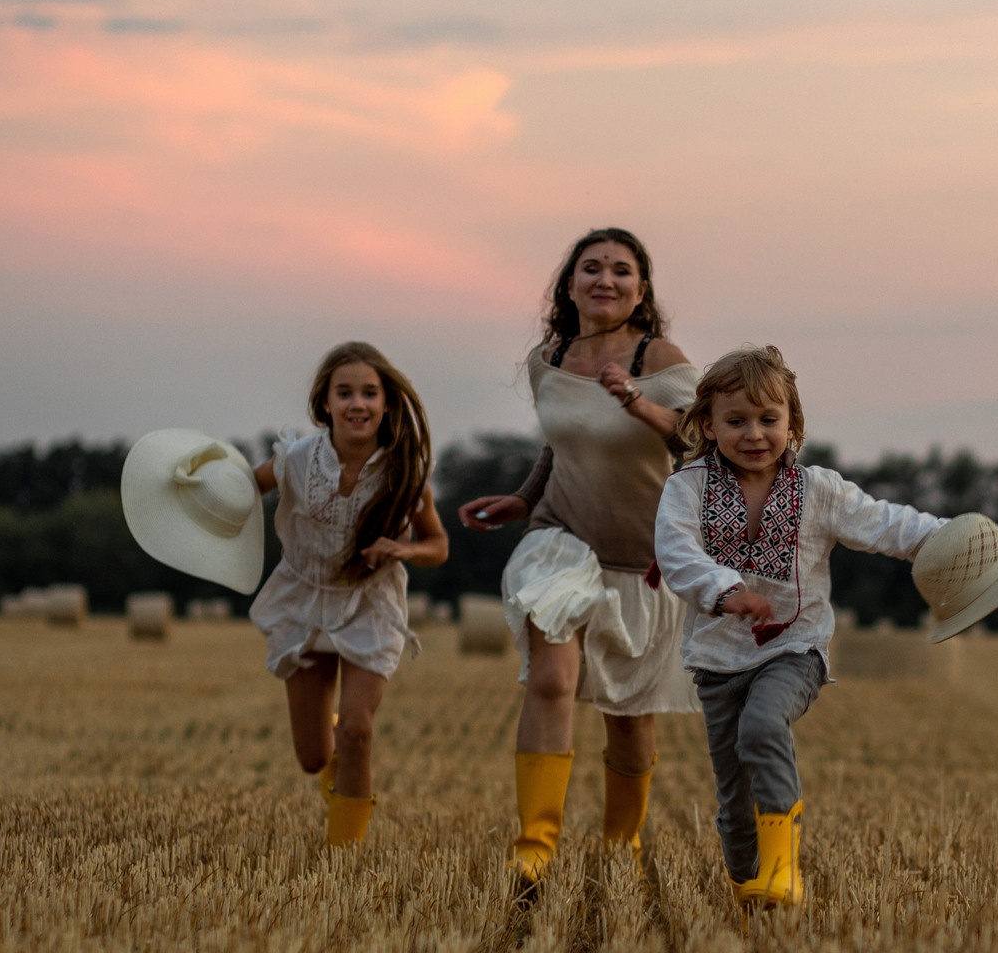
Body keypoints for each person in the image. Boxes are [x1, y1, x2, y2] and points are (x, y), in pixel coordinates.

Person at [654, 346, 947, 908]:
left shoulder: (820, 489)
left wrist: (947, 537)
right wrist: (726, 590)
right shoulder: (686, 488)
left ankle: (785, 870)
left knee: (763, 725)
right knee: (733, 802)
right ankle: (749, 896)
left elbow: (885, 523)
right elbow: (676, 553)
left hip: (795, 649)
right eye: (736, 420)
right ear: (708, 426)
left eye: (769, 419)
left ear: (793, 423)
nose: (754, 433)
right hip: (716, 663)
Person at [457, 228, 701, 882]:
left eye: (622, 271)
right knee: (551, 679)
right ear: (569, 286)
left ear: (641, 291)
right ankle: (535, 845)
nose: (606, 280)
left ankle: (622, 845)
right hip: (560, 538)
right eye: (591, 268)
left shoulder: (662, 355)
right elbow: (561, 443)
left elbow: (702, 437)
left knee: (629, 721)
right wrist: (522, 498)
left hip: (646, 562)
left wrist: (636, 401)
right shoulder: (551, 357)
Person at [251, 342, 449, 846]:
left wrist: (403, 552)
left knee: (357, 732)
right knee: (313, 757)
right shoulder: (295, 460)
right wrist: (187, 486)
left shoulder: (406, 473)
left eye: (368, 393)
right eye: (345, 393)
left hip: (370, 605)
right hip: (305, 601)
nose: (357, 404)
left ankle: (345, 859)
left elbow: (438, 545)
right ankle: (334, 766)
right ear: (325, 404)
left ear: (386, 404)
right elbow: (241, 491)